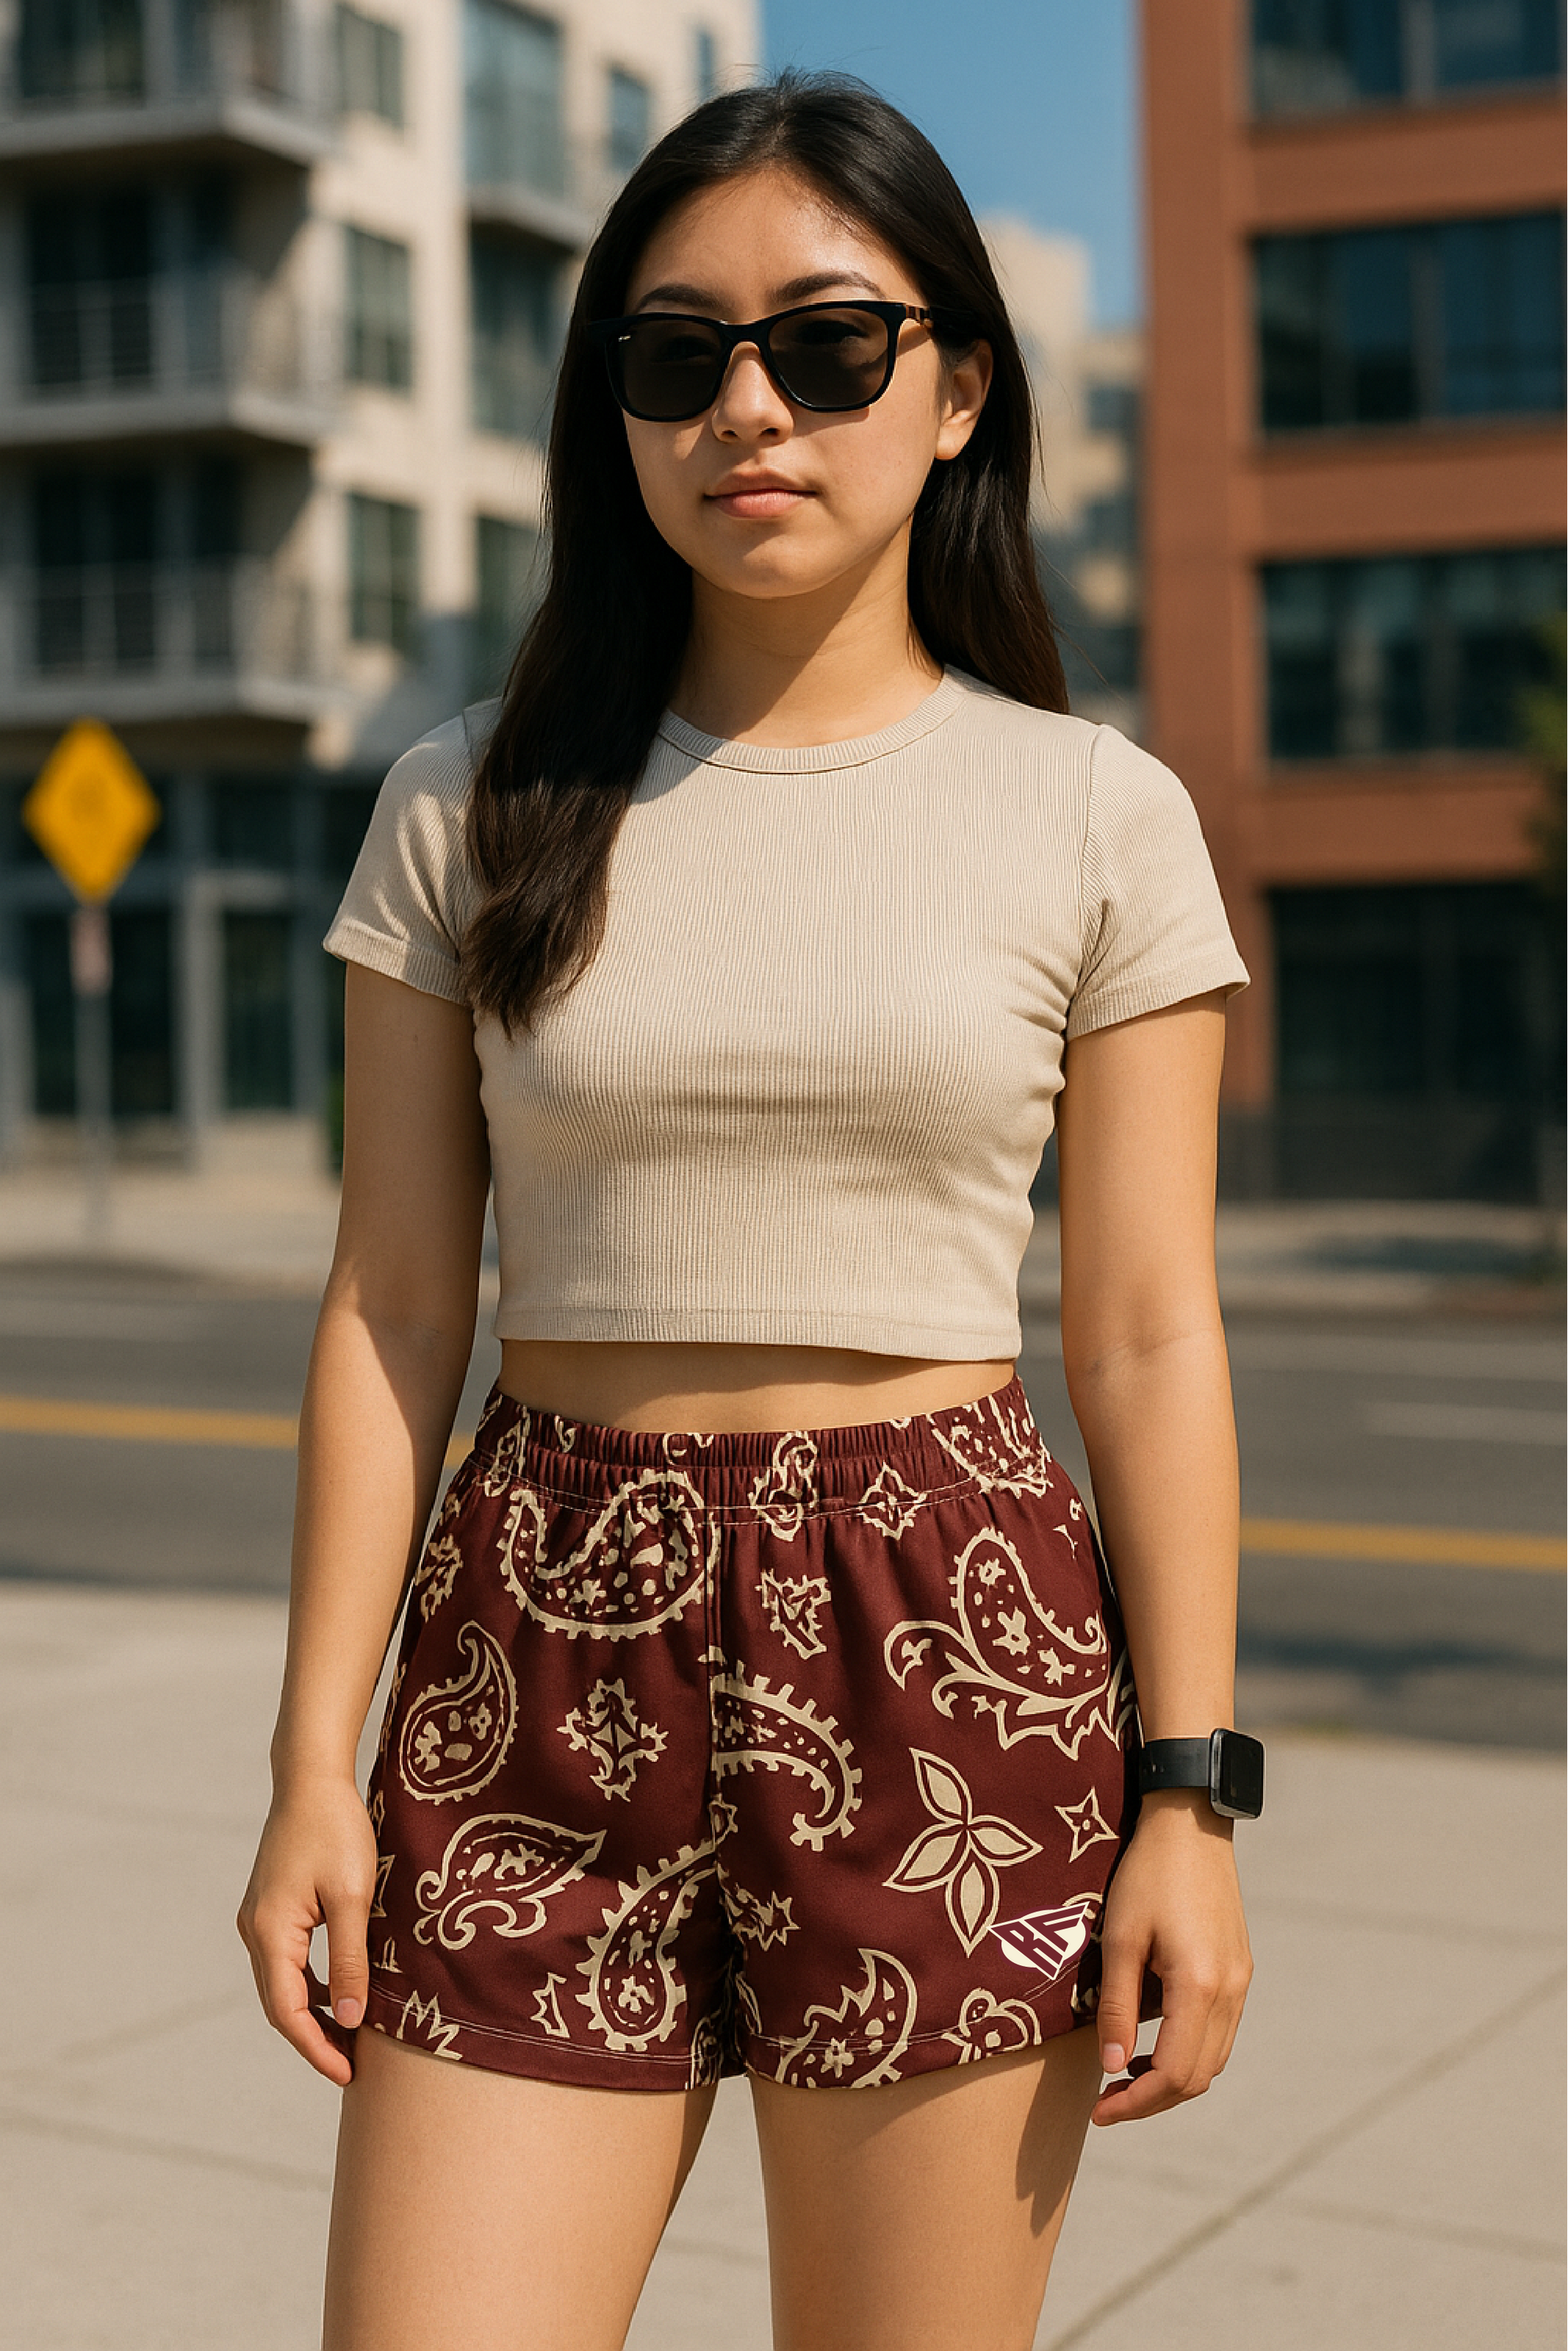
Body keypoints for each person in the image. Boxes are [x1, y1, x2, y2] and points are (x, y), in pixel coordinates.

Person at [238, 72, 1256, 2351]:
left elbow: (1155, 1336)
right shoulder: (468, 805)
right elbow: (395, 1304)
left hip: (943, 1643)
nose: (750, 410)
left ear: (962, 379)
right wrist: (315, 1762)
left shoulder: (1096, 815)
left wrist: (1191, 1790)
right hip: (530, 1656)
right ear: (613, 408)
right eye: (674, 355)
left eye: (829, 344)